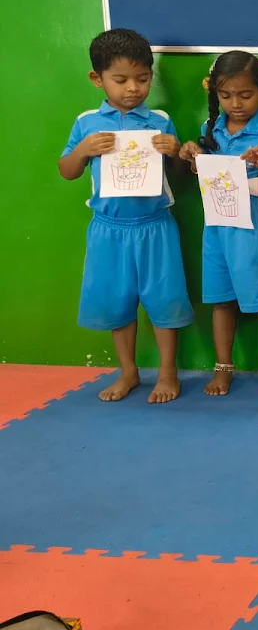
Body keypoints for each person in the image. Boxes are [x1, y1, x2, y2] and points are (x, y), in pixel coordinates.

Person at [58, 28, 193, 403]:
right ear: (97, 79)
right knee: (117, 300)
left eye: (143, 78)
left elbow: (179, 177)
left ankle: (168, 373)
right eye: (120, 80)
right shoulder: (87, 122)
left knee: (165, 300)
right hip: (109, 229)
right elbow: (67, 170)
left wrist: (174, 151)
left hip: (155, 227)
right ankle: (128, 371)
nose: (133, 88)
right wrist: (83, 150)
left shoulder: (160, 120)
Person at [179, 51, 258, 399]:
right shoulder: (210, 128)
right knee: (221, 296)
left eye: (245, 95)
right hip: (218, 222)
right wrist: (193, 159)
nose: (235, 104)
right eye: (225, 95)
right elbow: (208, 174)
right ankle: (223, 366)